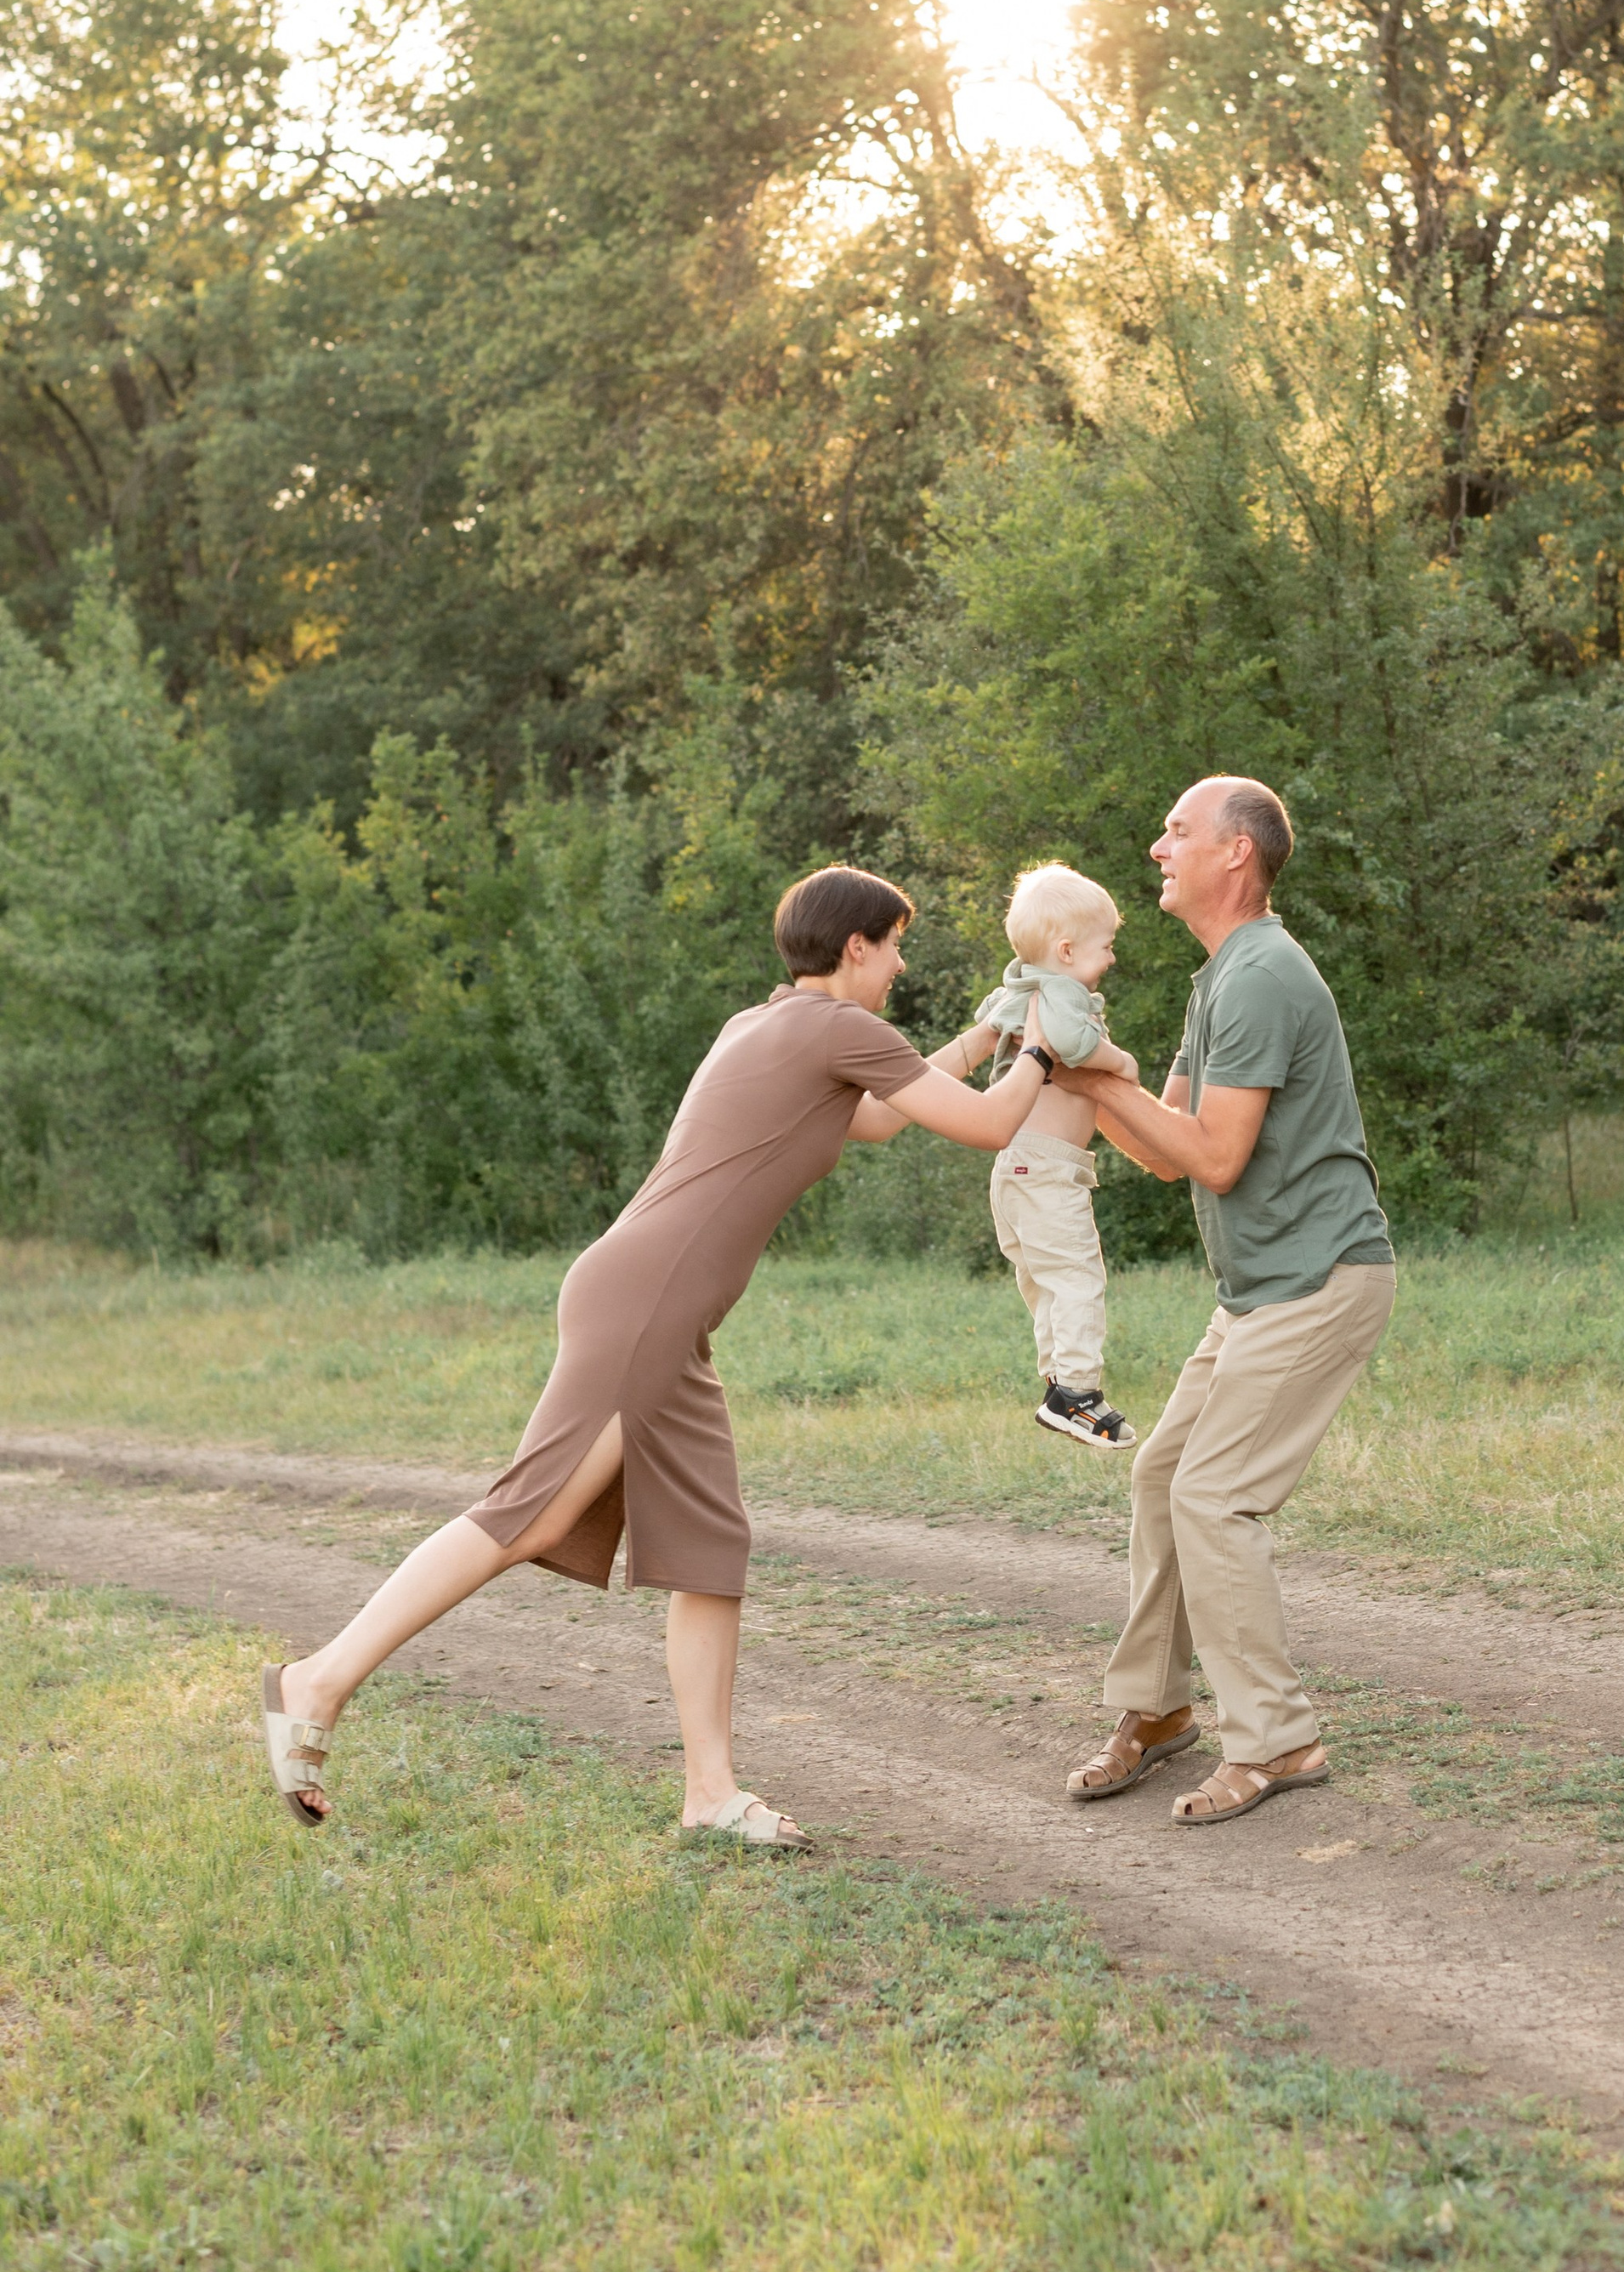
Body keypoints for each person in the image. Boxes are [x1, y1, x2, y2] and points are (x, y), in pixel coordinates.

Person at [259, 865, 1059, 1851]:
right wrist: (1047, 1049)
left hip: (652, 1308)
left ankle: (710, 1794)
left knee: (707, 1548)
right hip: (643, 1305)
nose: (900, 965)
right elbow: (984, 1124)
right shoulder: (839, 1029)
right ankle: (319, 1678)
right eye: (894, 944)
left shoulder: (765, 1026)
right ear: (855, 945)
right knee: (529, 1513)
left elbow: (887, 1113)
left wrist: (990, 1034)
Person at [1063, 778, 1396, 1825]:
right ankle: (1156, 1714)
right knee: (1164, 1475)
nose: (1157, 846)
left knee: (1213, 1496)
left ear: (1236, 855)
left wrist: (1090, 1073)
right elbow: (1163, 1146)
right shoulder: (1223, 976)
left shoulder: (1260, 976)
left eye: (1176, 831)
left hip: (1320, 1278)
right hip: (1258, 1289)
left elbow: (1213, 1156)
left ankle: (1280, 1740)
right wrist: (1077, 1070)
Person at [947, 862, 1136, 1451]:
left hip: (1017, 1168)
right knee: (1077, 1277)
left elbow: (988, 1027)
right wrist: (1121, 1062)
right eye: (1105, 946)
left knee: (1047, 1283)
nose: (1109, 958)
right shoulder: (1063, 993)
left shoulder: (1022, 989)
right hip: (1047, 1167)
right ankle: (1078, 1394)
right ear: (1067, 948)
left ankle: (1058, 1382)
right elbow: (1076, 1049)